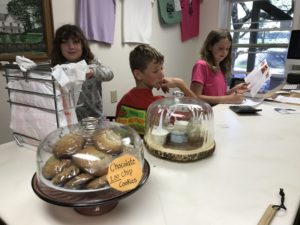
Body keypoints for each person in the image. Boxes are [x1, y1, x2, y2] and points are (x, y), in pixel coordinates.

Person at [116, 44, 196, 135]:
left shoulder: (124, 101)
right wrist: (180, 83)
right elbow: (198, 112)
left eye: (161, 68)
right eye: (156, 71)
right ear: (138, 74)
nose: (162, 75)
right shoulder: (158, 105)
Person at [51, 24, 114, 121]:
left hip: (95, 118)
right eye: (65, 42)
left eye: (76, 42)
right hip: (69, 120)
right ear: (59, 46)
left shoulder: (92, 63)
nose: (71, 46)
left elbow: (109, 74)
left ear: (82, 44)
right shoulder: (58, 69)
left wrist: (94, 72)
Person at [190, 28, 248, 105]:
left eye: (227, 49)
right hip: (206, 114)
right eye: (221, 48)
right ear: (210, 46)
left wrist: (234, 90)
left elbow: (220, 96)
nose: (224, 52)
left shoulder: (220, 69)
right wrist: (229, 99)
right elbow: (195, 97)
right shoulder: (201, 65)